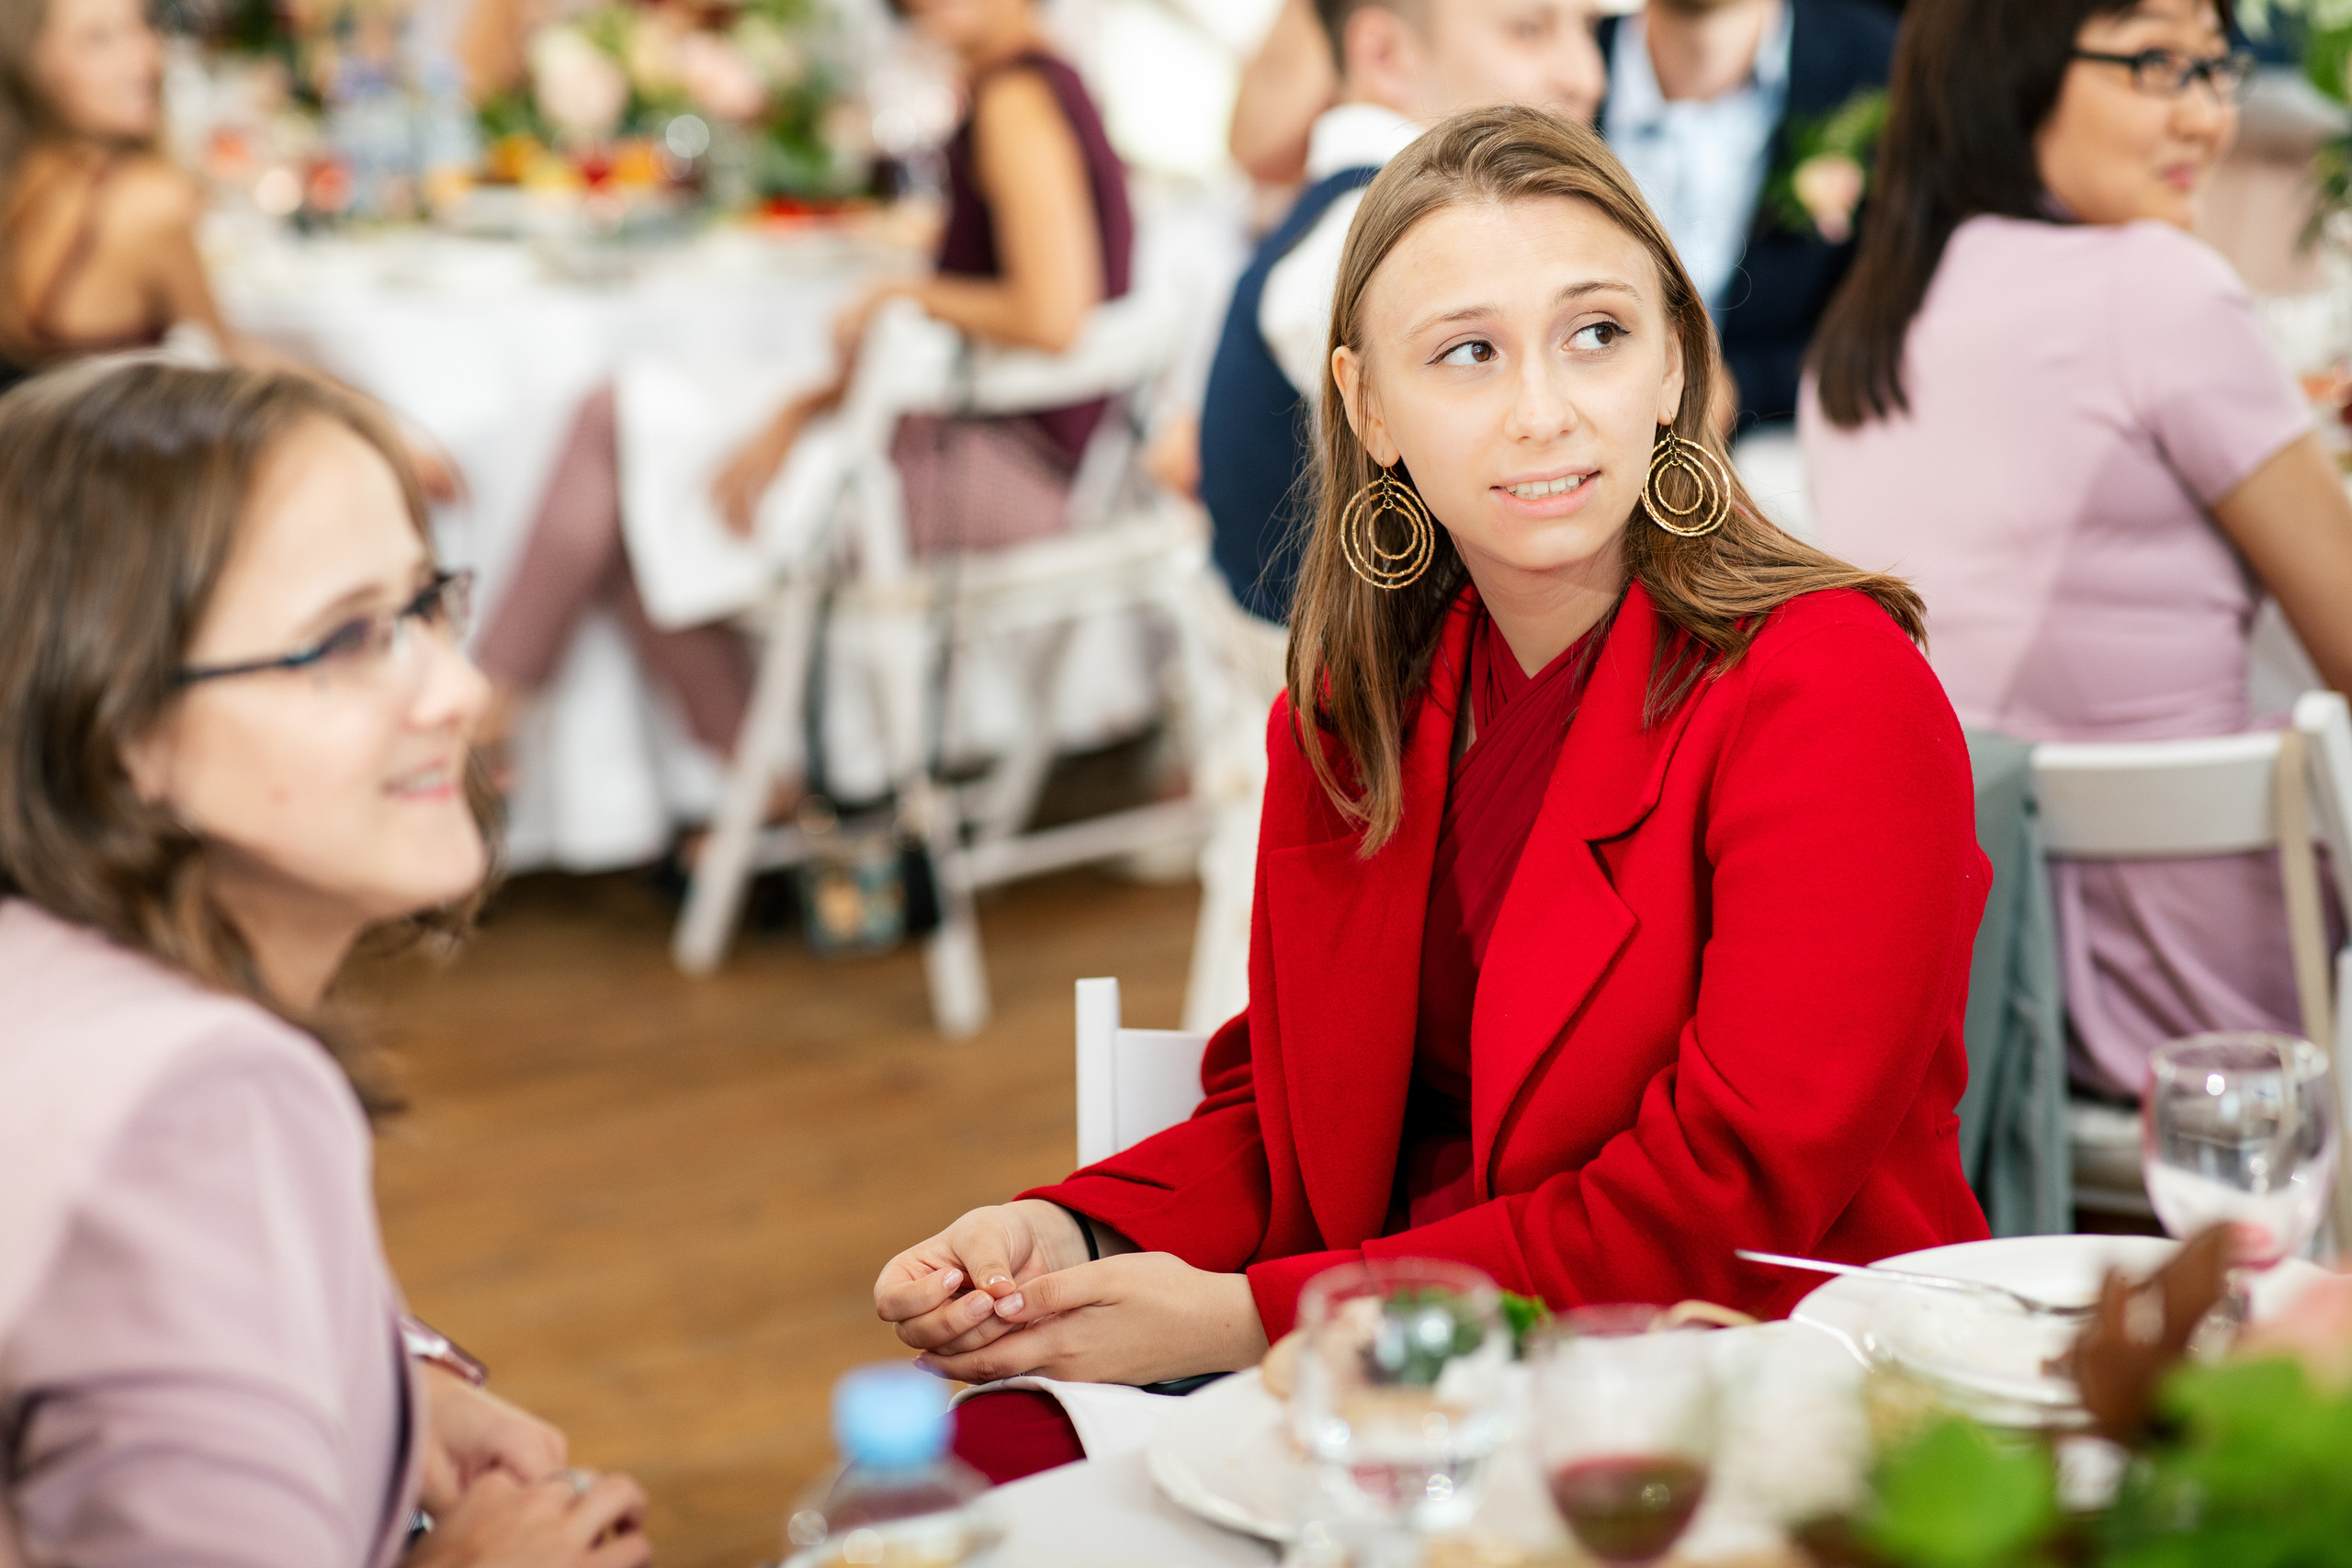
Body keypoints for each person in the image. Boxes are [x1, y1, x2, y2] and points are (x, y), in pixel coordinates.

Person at [876, 105, 1991, 1479]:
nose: (1544, 409)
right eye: (1468, 353)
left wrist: (1255, 1314)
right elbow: (1290, 1109)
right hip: (1409, 1361)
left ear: (1672, 365)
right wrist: (1071, 1233)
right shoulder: (1357, 708)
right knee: (975, 1444)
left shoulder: (1828, 688)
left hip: (1744, 1376)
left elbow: (1725, 1191)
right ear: (1370, 408)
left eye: (1596, 334)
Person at [0, 359, 650, 1567]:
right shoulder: (198, 1099)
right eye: (342, 640)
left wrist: (394, 1383)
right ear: (118, 723)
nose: (457, 688)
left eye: (424, 604)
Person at [1801, 0, 2352, 1100]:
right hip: (2221, 1004)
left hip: (1977, 987)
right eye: (2157, 65)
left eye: (2216, 68)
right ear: (2012, 72)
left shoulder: (1859, 331)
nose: (2206, 118)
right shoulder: (2157, 286)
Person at [472, 0, 1132, 775]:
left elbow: (1052, 313)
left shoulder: (1015, 99)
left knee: (625, 445)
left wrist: (902, 295)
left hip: (1005, 477)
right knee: (635, 459)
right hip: (1008, 456)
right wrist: (799, 409)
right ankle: (761, 788)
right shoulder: (1036, 86)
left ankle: (504, 718)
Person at [1201, 0, 1606, 625]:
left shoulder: (1365, 219)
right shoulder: (1377, 248)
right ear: (1384, 54)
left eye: (1590, 29)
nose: (1586, 78)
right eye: (1529, 29)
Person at [0, 0, 459, 489]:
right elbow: (231, 353)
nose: (143, 58)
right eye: (99, 40)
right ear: (34, 63)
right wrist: (386, 433)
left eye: (143, 27)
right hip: (100, 499)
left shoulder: (26, 181)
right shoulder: (146, 201)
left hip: (32, 488)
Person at [1594, 0, 1897, 430]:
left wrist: (1738, 390)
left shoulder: (1875, 61)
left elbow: (1896, 325)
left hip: (1783, 452)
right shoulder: (1564, 64)